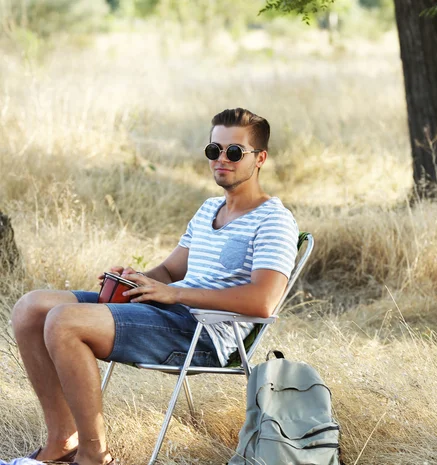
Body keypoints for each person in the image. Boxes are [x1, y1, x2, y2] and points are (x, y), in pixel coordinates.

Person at [10, 108, 299, 465]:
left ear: (260, 159)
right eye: (214, 150)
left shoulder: (274, 220)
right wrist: (139, 279)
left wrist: (176, 293)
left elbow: (263, 301)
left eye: (234, 152)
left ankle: (92, 455)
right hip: (169, 312)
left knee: (63, 322)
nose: (221, 159)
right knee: (31, 308)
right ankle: (61, 442)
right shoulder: (209, 209)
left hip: (203, 333)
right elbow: (168, 270)